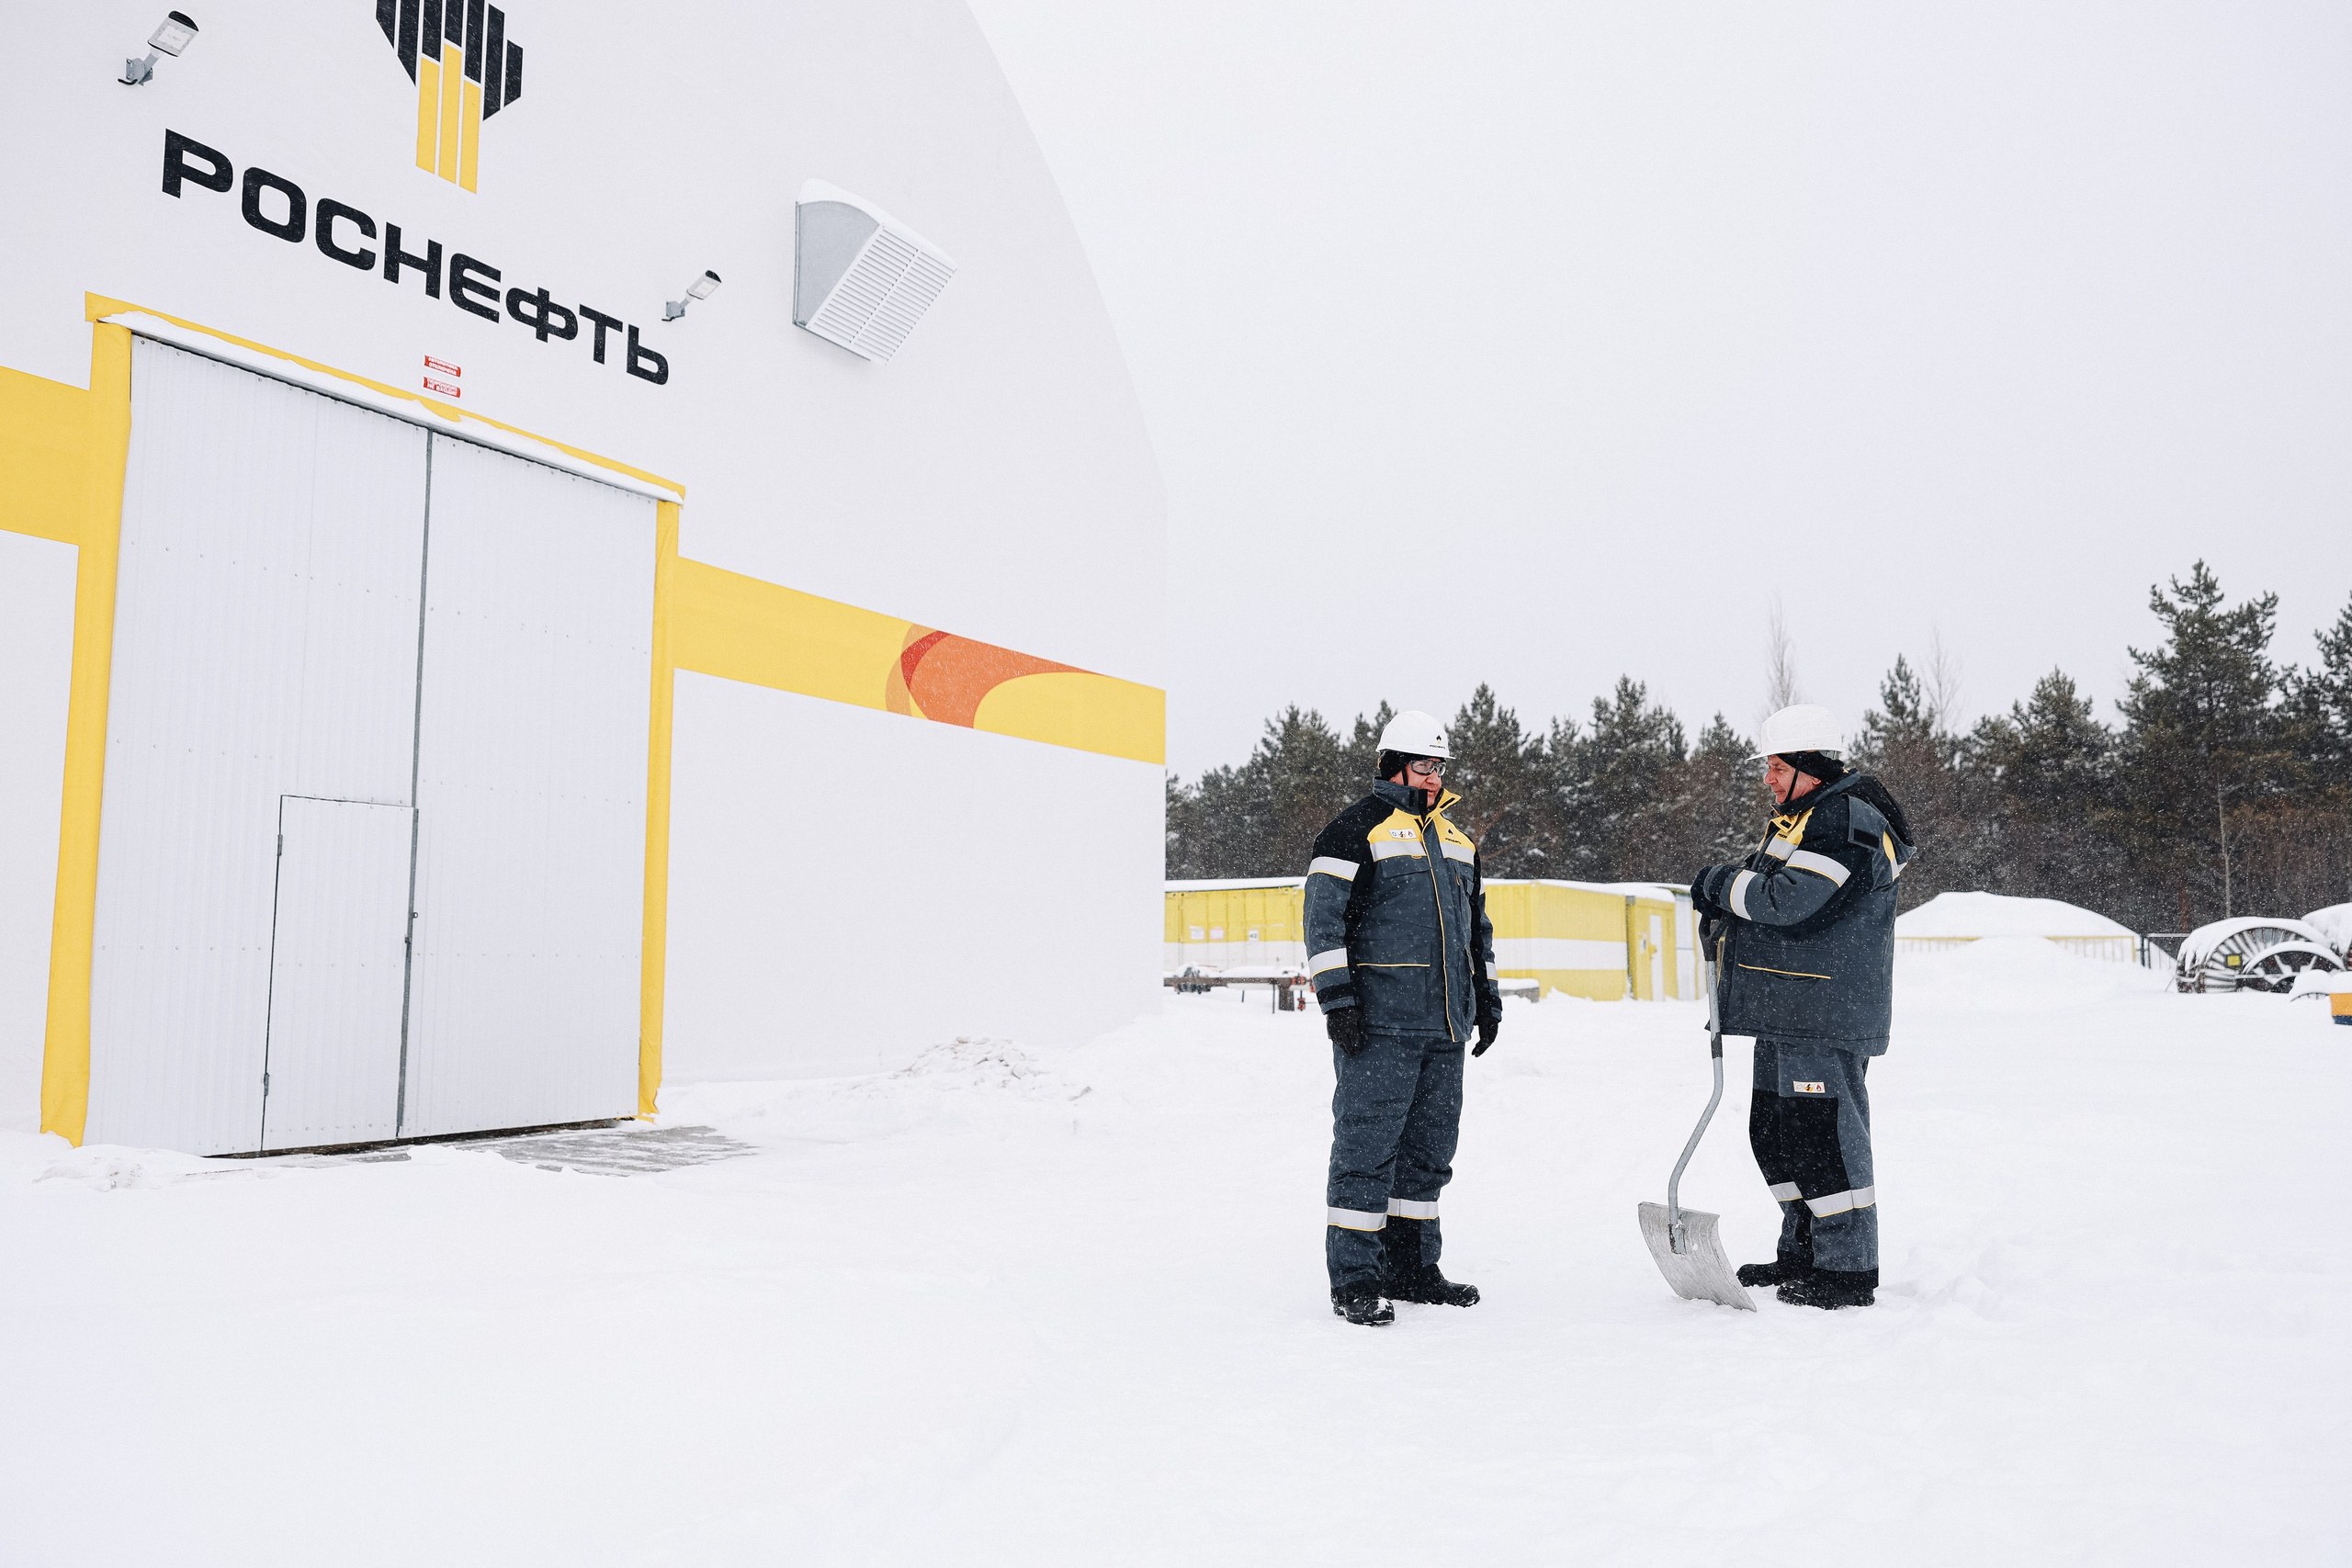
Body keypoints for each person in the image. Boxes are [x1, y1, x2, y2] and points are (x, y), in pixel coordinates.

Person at [1689, 705, 1917, 1311]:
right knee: (1776, 1131)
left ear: (1806, 767)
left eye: (1775, 766)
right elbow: (1760, 888)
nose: (1767, 779)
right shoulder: (1801, 818)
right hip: (1787, 1006)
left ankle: (1846, 1270)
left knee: (1824, 1138)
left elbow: (1787, 900)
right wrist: (1730, 899)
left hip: (1824, 1010)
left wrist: (1717, 886)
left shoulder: (1843, 820)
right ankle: (1804, 1248)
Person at [1303, 710, 1504, 1326]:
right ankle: (1356, 1280)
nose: (1435, 777)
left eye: (1440, 766)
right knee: (1367, 1152)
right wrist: (1339, 1003)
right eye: (1424, 765)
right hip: (1379, 1029)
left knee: (1427, 1154)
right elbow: (1322, 923)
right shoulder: (1353, 832)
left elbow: (1477, 932)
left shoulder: (1458, 841)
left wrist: (1486, 1001)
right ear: (1394, 765)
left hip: (1445, 1028)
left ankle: (1413, 1269)